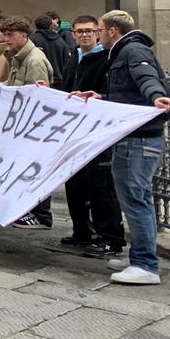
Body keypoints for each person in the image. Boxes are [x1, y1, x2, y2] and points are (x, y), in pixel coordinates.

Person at [79, 10, 170, 285]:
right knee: (135, 199)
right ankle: (140, 256)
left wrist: (157, 97)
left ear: (111, 31)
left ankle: (145, 264)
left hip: (139, 140)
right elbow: (129, 92)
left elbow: (147, 79)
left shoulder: (132, 51)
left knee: (135, 199)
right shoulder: (124, 52)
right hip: (133, 137)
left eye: (99, 30)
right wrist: (101, 97)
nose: (97, 35)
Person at [60, 16, 125, 258]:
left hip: (97, 133)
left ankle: (110, 238)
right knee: (75, 183)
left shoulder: (106, 59)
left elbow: (112, 92)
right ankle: (82, 231)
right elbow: (66, 88)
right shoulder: (73, 57)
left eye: (89, 31)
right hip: (73, 133)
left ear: (97, 33)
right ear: (73, 35)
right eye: (79, 32)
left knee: (101, 187)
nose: (84, 35)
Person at [0, 17, 56, 230]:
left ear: (24, 35)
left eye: (10, 35)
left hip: (32, 127)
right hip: (19, 125)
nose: (6, 39)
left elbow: (38, 96)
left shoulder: (34, 60)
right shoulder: (17, 58)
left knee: (34, 169)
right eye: (4, 34)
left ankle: (40, 214)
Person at [29, 14, 72, 91]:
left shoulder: (31, 40)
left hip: (40, 82)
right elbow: (68, 61)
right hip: (59, 82)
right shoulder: (60, 40)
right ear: (50, 25)